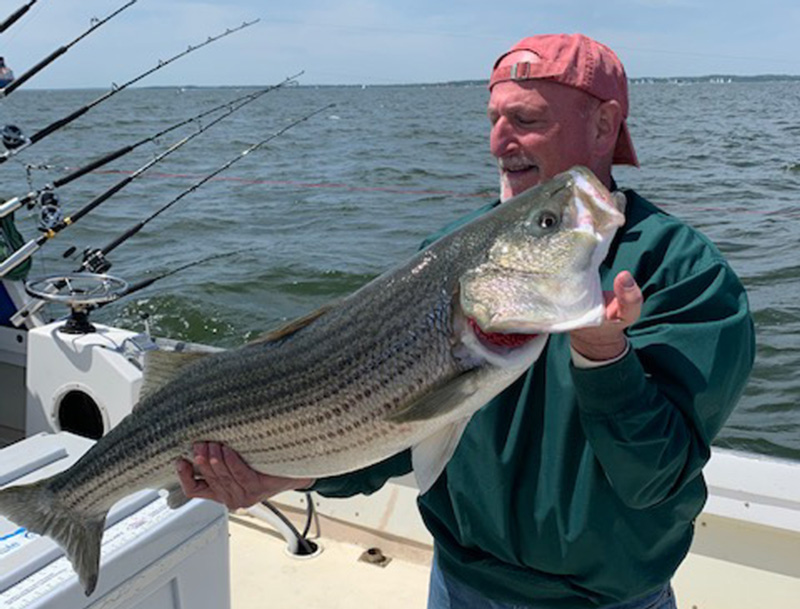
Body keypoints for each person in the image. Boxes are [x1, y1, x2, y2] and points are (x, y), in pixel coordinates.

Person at [176, 33, 755, 608]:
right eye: (494, 118)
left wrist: (605, 358)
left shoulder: (684, 272)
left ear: (604, 126)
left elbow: (656, 477)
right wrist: (290, 475)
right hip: (458, 585)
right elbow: (395, 425)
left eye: (525, 119)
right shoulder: (451, 252)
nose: (499, 140)